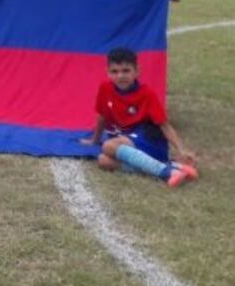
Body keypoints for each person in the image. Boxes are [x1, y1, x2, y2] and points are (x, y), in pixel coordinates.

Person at [81, 47, 198, 188]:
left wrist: (181, 150)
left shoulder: (147, 94)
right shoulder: (105, 88)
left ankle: (166, 172)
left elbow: (165, 126)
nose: (120, 76)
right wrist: (95, 139)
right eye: (114, 71)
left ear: (137, 71)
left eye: (126, 71)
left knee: (109, 146)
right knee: (103, 161)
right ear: (107, 72)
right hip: (128, 140)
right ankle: (175, 166)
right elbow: (102, 116)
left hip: (149, 139)